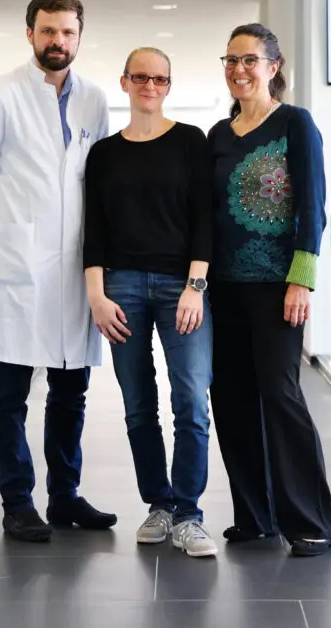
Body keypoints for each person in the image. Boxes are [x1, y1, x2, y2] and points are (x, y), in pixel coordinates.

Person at [0, 0, 117, 542]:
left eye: (68, 32)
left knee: (71, 392)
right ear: (30, 34)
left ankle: (66, 496)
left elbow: (94, 181)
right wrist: (12, 232)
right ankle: (17, 502)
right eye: (48, 31)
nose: (58, 41)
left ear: (79, 36)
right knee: (9, 393)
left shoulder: (95, 99)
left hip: (76, 269)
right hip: (18, 267)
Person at [206, 23, 331, 557]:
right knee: (231, 398)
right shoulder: (218, 134)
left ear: (273, 67)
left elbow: (313, 206)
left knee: (280, 396)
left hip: (277, 287)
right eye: (231, 60)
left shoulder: (295, 124)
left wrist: (301, 279)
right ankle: (254, 516)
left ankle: (310, 522)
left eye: (250, 60)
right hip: (223, 288)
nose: (239, 70)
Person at [83, 48, 217, 557]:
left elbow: (204, 219)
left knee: (191, 401)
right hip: (121, 289)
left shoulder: (189, 141)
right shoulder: (104, 153)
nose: (150, 85)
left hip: (181, 287)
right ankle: (158, 505)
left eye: (160, 78)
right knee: (139, 406)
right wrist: (96, 294)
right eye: (141, 77)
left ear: (169, 85)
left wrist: (196, 286)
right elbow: (94, 229)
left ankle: (188, 513)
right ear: (124, 82)